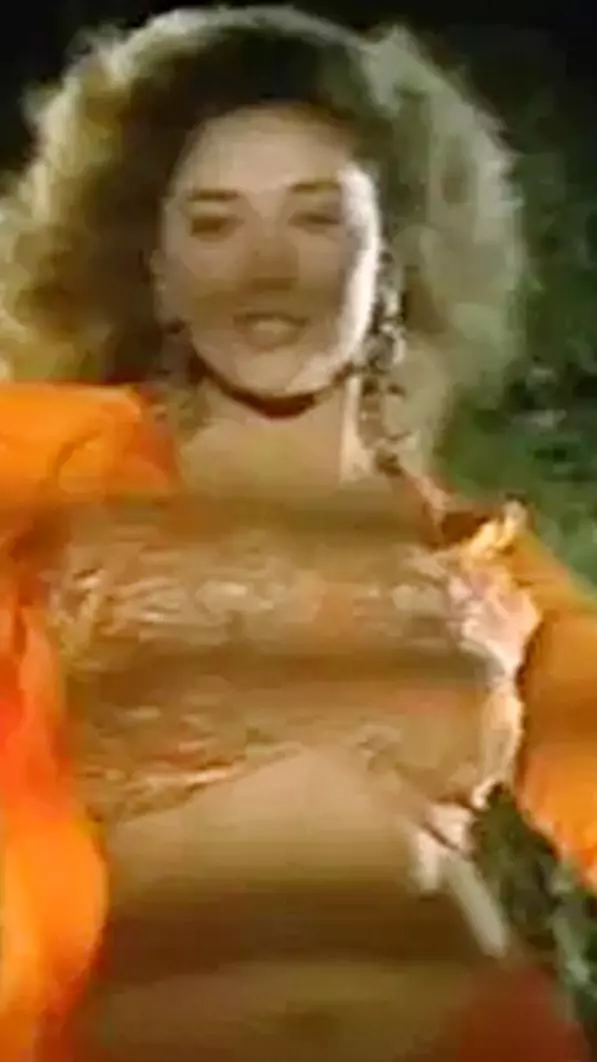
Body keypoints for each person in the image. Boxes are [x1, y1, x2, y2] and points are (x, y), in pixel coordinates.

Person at [0, 6, 591, 1059]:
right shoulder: (48, 473)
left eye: (318, 218)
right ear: (155, 270)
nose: (267, 270)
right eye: (214, 224)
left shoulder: (484, 556)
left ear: (391, 259)